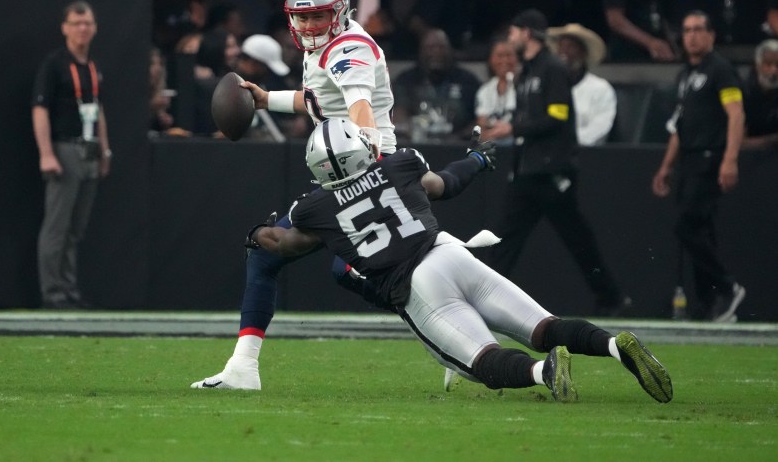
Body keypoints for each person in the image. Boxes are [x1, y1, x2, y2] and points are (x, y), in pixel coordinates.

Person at [246, 117, 673, 403]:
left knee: (479, 361)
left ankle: (544, 373)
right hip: (452, 253)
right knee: (544, 326)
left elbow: (284, 244)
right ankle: (616, 346)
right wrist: (475, 160)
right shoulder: (400, 163)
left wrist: (256, 234)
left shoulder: (314, 208)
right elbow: (446, 184)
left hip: (416, 286)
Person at [191, 0, 398, 391]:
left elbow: (359, 106)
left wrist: (368, 162)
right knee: (268, 255)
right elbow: (323, 98)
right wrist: (269, 99)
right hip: (347, 176)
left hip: (369, 173)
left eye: (316, 17)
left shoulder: (348, 47)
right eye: (300, 17)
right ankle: (243, 367)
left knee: (356, 270)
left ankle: (444, 327)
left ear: (339, 13)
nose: (306, 26)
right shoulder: (325, 47)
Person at [486, 9, 628, 316]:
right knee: (512, 236)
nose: (511, 39)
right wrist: (510, 126)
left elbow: (559, 116)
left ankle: (611, 296)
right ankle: (611, 296)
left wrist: (515, 128)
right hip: (530, 169)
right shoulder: (527, 72)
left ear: (527, 33)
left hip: (551, 171)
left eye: (514, 32)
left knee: (571, 239)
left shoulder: (551, 68)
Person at [652, 10, 746, 322]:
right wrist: (666, 166)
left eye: (698, 29)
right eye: (687, 30)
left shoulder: (721, 70)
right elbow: (679, 126)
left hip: (709, 156)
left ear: (711, 35)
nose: (691, 35)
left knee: (687, 225)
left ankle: (728, 287)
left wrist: (730, 159)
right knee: (701, 232)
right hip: (688, 161)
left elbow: (735, 114)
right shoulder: (685, 75)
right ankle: (711, 304)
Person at [31, 0, 112, 309]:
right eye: (77, 23)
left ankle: (68, 289)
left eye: (88, 23)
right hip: (63, 149)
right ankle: (52, 294)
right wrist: (46, 153)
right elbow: (39, 109)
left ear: (94, 28)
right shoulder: (54, 65)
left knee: (76, 229)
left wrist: (105, 149)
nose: (83, 29)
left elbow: (99, 110)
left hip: (90, 148)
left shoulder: (93, 67)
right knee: (57, 226)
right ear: (65, 28)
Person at [393, 29, 481, 143]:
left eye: (441, 47)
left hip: (458, 145)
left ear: (450, 51)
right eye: (430, 47)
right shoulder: (406, 80)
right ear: (420, 51)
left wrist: (459, 137)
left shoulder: (468, 81)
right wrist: (413, 133)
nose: (436, 52)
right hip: (416, 145)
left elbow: (480, 120)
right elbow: (399, 115)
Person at [547, 23, 617, 146]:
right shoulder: (548, 85)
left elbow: (600, 127)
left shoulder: (600, 88)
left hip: (587, 155)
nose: (564, 52)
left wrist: (566, 141)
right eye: (561, 47)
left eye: (570, 47)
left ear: (583, 53)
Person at [237, 34, 310, 140]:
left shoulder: (262, 90)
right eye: (266, 68)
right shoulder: (231, 90)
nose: (267, 74)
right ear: (254, 62)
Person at [474, 37, 518, 145]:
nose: (504, 61)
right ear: (491, 60)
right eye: (499, 56)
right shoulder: (484, 91)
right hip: (493, 146)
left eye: (508, 55)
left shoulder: (524, 86)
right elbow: (482, 127)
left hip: (518, 144)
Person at [742, 39, 778, 149]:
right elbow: (740, 142)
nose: (774, 71)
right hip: (751, 156)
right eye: (768, 64)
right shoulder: (744, 93)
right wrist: (771, 140)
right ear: (758, 65)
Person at [148, 46, 174, 134]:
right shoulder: (133, 88)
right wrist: (151, 105)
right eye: (152, 64)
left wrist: (163, 119)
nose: (157, 68)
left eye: (160, 64)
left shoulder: (160, 89)